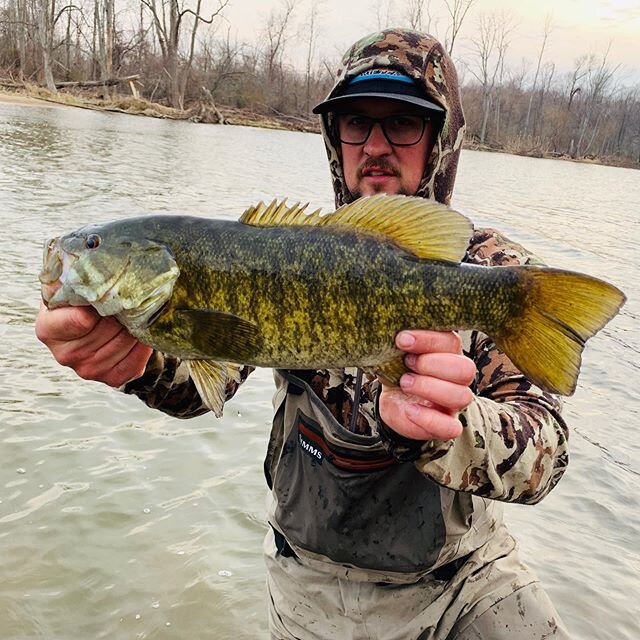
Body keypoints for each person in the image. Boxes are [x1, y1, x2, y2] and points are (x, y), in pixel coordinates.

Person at [36, 28, 571, 640]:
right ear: (332, 138)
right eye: (355, 123)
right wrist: (138, 364)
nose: (374, 145)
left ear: (441, 141)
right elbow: (205, 381)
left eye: (402, 123)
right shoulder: (284, 251)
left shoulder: (494, 276)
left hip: (462, 580)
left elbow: (547, 454)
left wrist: (450, 429)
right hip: (312, 585)